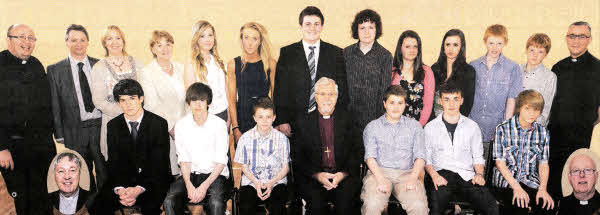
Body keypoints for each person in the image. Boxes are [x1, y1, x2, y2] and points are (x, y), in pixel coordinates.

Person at [0, 24, 56, 214]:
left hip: (42, 146)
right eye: (21, 37)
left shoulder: (36, 64)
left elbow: (46, 104)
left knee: (44, 195)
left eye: (31, 38)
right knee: (23, 198)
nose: (27, 42)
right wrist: (1, 147)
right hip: (13, 149)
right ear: (9, 39)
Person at [47, 24, 107, 194]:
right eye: (73, 40)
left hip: (99, 125)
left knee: (104, 168)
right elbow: (55, 104)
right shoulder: (54, 70)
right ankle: (90, 204)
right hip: (74, 129)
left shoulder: (100, 65)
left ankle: (106, 204)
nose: (78, 44)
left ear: (88, 42)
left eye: (82, 40)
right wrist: (58, 133)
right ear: (67, 42)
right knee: (83, 171)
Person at [273, 6, 348, 138]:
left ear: (322, 26)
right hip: (295, 122)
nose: (312, 28)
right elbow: (280, 90)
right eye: (308, 24)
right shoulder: (287, 53)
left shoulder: (336, 53)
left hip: (326, 120)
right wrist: (282, 120)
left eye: (316, 24)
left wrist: (339, 119)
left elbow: (342, 89)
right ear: (300, 26)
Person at [424, 83, 499, 215]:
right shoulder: (430, 127)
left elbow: (477, 156)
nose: (451, 104)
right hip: (442, 175)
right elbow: (426, 159)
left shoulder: (472, 126)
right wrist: (435, 176)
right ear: (440, 101)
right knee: (435, 209)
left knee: (491, 206)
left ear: (462, 101)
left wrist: (479, 175)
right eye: (447, 99)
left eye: (455, 99)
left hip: (467, 176)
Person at [101, 79, 171, 214]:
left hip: (151, 181)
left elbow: (159, 164)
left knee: (149, 207)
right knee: (99, 204)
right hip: (123, 182)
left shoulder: (159, 124)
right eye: (123, 100)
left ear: (141, 99)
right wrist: (120, 190)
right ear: (118, 103)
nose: (128, 104)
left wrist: (138, 189)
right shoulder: (113, 126)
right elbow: (114, 162)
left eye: (132, 99)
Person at [295, 77, 362, 215]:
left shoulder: (349, 119)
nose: (327, 98)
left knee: (346, 206)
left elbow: (358, 151)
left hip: (343, 176)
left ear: (337, 97)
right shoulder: (303, 122)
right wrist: (317, 175)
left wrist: (342, 174)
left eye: (331, 94)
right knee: (316, 207)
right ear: (315, 96)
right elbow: (298, 157)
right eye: (323, 94)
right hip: (314, 178)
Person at [549, 21, 600, 196]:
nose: (575, 40)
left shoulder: (598, 68)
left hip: (580, 138)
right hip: (555, 137)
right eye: (572, 36)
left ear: (589, 39)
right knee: (553, 185)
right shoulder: (558, 67)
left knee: (576, 189)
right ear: (566, 38)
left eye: (581, 36)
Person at [163, 82, 229, 215]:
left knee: (215, 203)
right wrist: (189, 185)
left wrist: (203, 187)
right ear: (188, 103)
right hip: (190, 175)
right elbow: (184, 160)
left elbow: (221, 161)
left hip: (215, 175)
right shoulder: (181, 125)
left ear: (208, 103)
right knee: (169, 201)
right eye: (194, 100)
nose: (198, 105)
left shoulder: (219, 124)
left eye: (202, 100)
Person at [361, 85, 429, 215]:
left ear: (405, 105)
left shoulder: (415, 126)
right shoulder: (372, 127)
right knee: (372, 204)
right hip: (379, 173)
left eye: (400, 103)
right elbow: (370, 157)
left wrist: (414, 177)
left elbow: (420, 156)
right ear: (384, 104)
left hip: (407, 174)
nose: (396, 107)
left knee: (419, 206)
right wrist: (380, 179)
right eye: (392, 102)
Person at [493, 90, 555, 214]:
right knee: (519, 206)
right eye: (527, 108)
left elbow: (543, 164)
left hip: (530, 182)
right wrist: (516, 187)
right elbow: (500, 164)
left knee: (547, 207)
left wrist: (543, 189)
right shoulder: (503, 129)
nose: (532, 113)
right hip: (507, 183)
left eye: (536, 110)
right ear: (519, 107)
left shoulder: (543, 132)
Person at [91, 25, 144, 160]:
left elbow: (146, 93)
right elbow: (99, 101)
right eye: (109, 39)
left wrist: (136, 114)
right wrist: (126, 113)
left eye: (118, 38)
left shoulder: (138, 64)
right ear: (104, 43)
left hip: (139, 122)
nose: (114, 42)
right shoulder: (99, 67)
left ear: (123, 41)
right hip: (113, 121)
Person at [469, 24, 522, 158]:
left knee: (492, 169)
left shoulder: (513, 68)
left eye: (499, 43)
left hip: (496, 127)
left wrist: (505, 127)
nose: (494, 47)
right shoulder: (473, 65)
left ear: (505, 43)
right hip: (474, 125)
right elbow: (468, 96)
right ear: (485, 42)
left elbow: (511, 99)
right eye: (491, 43)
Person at [139, 30, 185, 177]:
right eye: (159, 45)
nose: (165, 49)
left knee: (187, 169)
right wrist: (172, 128)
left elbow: (189, 98)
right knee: (168, 172)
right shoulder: (147, 72)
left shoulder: (181, 68)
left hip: (185, 127)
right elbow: (152, 104)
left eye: (168, 44)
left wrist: (186, 125)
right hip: (163, 129)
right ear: (153, 49)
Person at [234, 97, 290, 215]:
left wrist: (271, 183)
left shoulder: (282, 139)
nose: (264, 121)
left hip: (276, 181)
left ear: (274, 118)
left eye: (268, 117)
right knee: (246, 206)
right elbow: (244, 167)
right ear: (254, 118)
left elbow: (285, 168)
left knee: (278, 207)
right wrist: (256, 182)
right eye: (260, 117)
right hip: (252, 181)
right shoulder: (245, 138)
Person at [343, 9, 393, 134]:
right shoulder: (346, 53)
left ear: (377, 30)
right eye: (362, 28)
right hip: (348, 119)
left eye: (371, 27)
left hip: (374, 119)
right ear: (356, 30)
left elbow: (385, 90)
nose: (366, 32)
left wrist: (379, 121)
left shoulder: (385, 56)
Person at [226, 22, 276, 142]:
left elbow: (275, 97)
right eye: (246, 37)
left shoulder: (270, 64)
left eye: (254, 38)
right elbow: (232, 99)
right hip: (243, 118)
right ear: (241, 39)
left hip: (265, 118)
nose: (249, 43)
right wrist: (235, 127)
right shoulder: (233, 64)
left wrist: (275, 123)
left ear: (260, 41)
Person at [183, 20, 229, 122]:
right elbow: (191, 95)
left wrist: (229, 115)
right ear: (196, 39)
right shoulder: (191, 62)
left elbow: (226, 90)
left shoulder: (218, 61)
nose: (207, 39)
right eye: (202, 36)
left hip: (223, 113)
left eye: (210, 35)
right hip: (204, 115)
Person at [391, 30, 435, 127]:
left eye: (415, 46)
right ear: (400, 48)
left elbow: (428, 105)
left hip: (419, 127)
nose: (412, 50)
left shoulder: (427, 72)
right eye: (407, 47)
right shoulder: (392, 72)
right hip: (395, 126)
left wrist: (418, 128)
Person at [430, 29, 476, 118]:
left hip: (457, 121)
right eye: (448, 45)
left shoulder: (469, 71)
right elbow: (429, 99)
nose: (451, 49)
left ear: (461, 48)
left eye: (455, 45)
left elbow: (468, 104)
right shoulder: (435, 69)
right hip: (434, 121)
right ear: (443, 47)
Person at [520, 33, 556, 126]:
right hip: (512, 127)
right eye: (532, 50)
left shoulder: (549, 77)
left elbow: (546, 109)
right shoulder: (516, 71)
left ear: (546, 54)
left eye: (540, 52)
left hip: (534, 129)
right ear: (526, 50)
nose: (535, 55)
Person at [47, 151, 93, 215]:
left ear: (79, 173)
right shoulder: (47, 200)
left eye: (72, 170)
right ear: (54, 175)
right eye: (61, 171)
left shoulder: (92, 200)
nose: (67, 176)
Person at [559, 149, 600, 214]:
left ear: (596, 176)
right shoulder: (559, 206)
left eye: (587, 170)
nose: (582, 175)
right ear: (569, 178)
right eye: (576, 171)